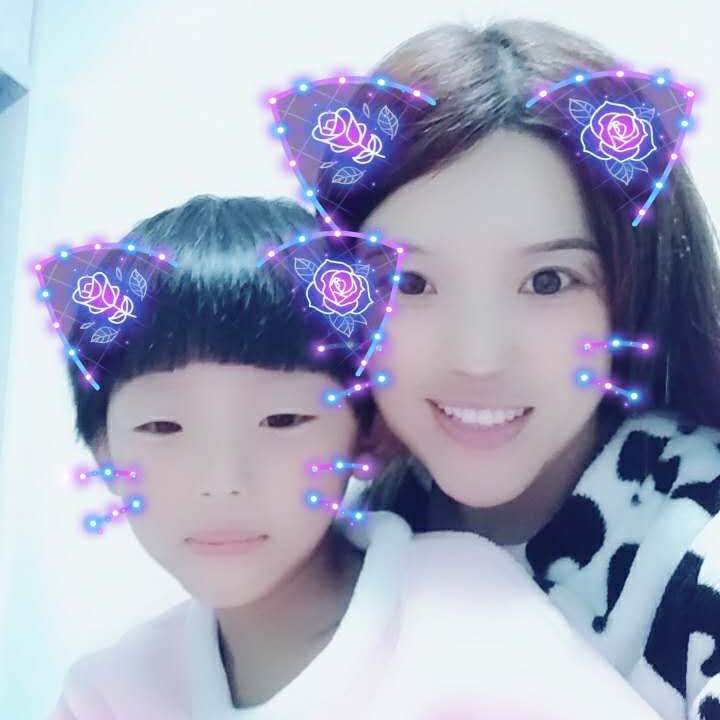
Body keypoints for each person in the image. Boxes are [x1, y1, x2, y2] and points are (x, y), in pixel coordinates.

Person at [47, 195, 664, 720]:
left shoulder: (464, 610)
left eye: (282, 421)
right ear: (105, 454)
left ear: (365, 434)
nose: (222, 481)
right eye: (162, 427)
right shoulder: (108, 695)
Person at [339, 20, 720, 720]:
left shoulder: (701, 547)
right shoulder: (343, 532)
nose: (478, 358)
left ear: (636, 290)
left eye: (548, 281)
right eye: (410, 283)